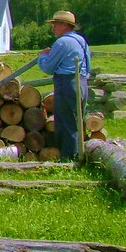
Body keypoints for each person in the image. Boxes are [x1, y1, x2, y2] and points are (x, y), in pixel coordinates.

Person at [37, 10, 92, 161]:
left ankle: (69, 159)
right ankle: (77, 154)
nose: (53, 28)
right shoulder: (81, 41)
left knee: (66, 122)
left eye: (55, 24)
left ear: (63, 25)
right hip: (81, 82)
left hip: (67, 84)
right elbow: (88, 66)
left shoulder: (62, 42)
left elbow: (48, 67)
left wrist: (42, 56)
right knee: (76, 121)